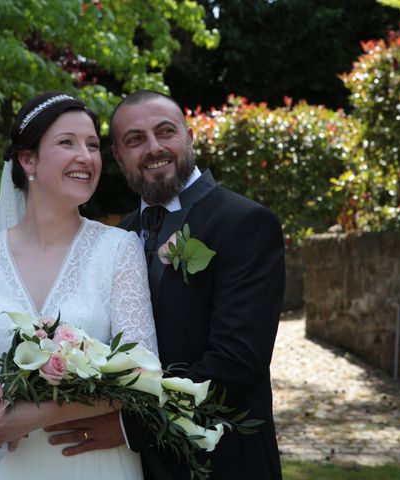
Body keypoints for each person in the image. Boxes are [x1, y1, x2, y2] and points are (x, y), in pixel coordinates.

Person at [44, 90, 285, 479]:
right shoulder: (120, 234)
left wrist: (129, 427)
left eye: (165, 132)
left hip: (222, 460)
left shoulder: (244, 223)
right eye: (135, 140)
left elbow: (237, 361)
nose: (154, 148)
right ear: (118, 157)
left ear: (188, 137)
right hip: (135, 468)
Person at [0, 92, 158, 480]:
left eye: (93, 145)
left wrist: (27, 418)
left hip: (88, 463)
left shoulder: (119, 250)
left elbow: (142, 372)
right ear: (27, 159)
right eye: (67, 142)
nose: (86, 156)